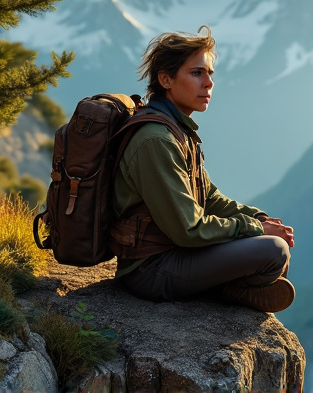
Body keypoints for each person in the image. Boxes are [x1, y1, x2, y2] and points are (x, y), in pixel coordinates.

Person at [109, 25, 295, 312]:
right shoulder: (156, 140)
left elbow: (209, 198)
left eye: (210, 73)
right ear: (166, 79)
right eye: (197, 73)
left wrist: (259, 218)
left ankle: (230, 285)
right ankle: (231, 288)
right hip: (151, 269)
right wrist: (255, 229)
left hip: (174, 254)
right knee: (273, 251)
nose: (208, 83)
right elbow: (189, 229)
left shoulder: (177, 131)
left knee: (272, 244)